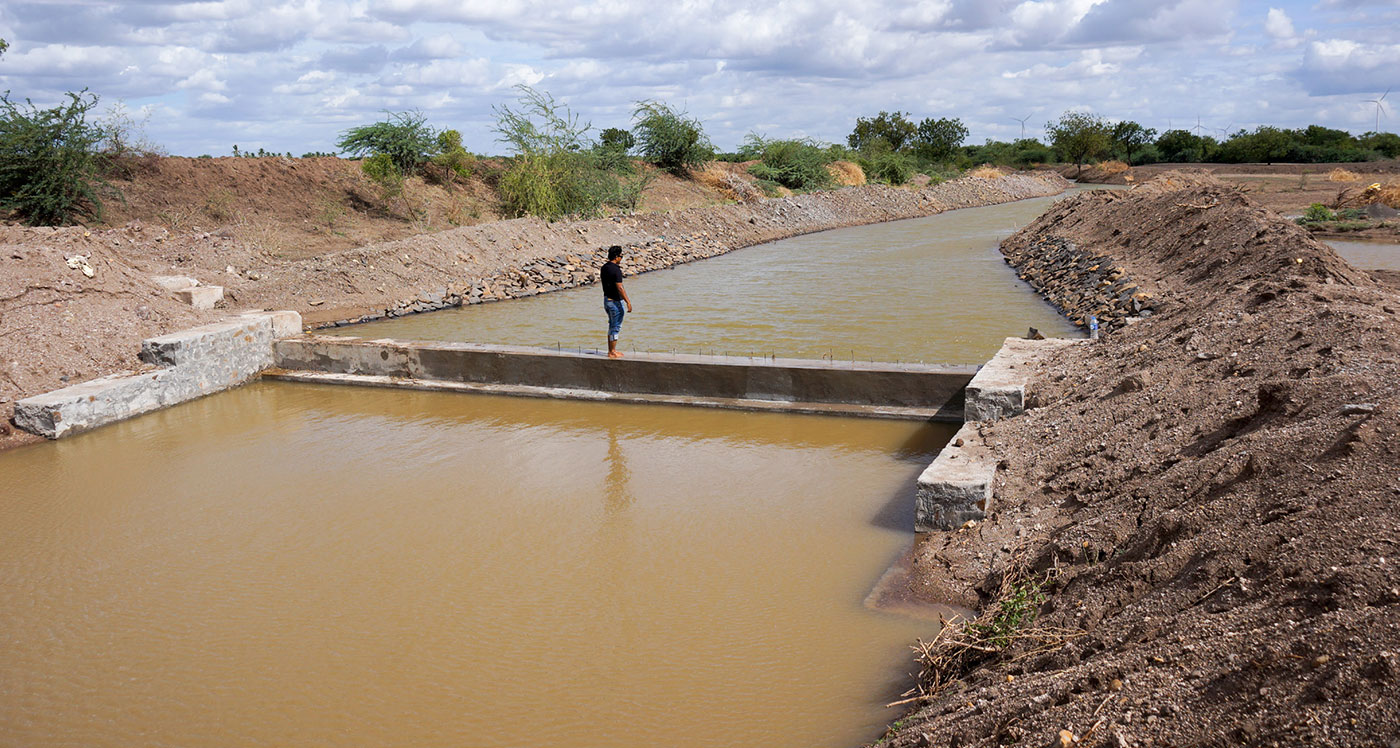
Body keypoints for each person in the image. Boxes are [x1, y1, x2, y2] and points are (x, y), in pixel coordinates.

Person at [600, 245, 633, 358]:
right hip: (614, 302)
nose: (621, 259)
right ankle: (612, 351)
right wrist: (628, 301)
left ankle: (612, 350)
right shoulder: (616, 270)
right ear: (616, 257)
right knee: (615, 327)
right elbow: (620, 287)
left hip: (607, 301)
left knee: (612, 325)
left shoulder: (604, 267)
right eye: (621, 256)